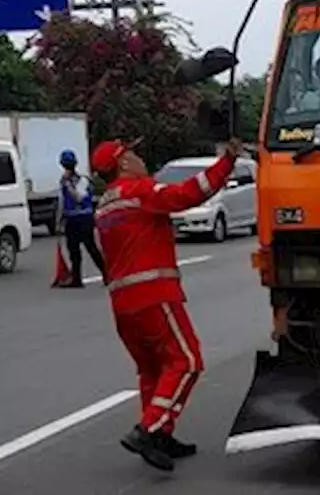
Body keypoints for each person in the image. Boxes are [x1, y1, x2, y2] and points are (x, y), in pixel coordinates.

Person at [91, 136, 241, 472]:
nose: (140, 157)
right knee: (187, 360)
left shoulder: (104, 206)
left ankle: (161, 435)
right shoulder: (139, 191)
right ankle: (150, 428)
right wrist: (226, 161)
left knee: (152, 370)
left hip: (123, 303)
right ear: (124, 163)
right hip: (154, 296)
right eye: (133, 153)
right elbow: (189, 193)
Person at [56, 149, 107, 288]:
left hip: (84, 218)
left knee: (90, 247)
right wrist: (59, 220)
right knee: (73, 250)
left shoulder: (82, 180)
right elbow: (62, 201)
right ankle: (76, 278)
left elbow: (79, 197)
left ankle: (106, 274)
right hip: (72, 219)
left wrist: (68, 185)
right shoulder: (63, 181)